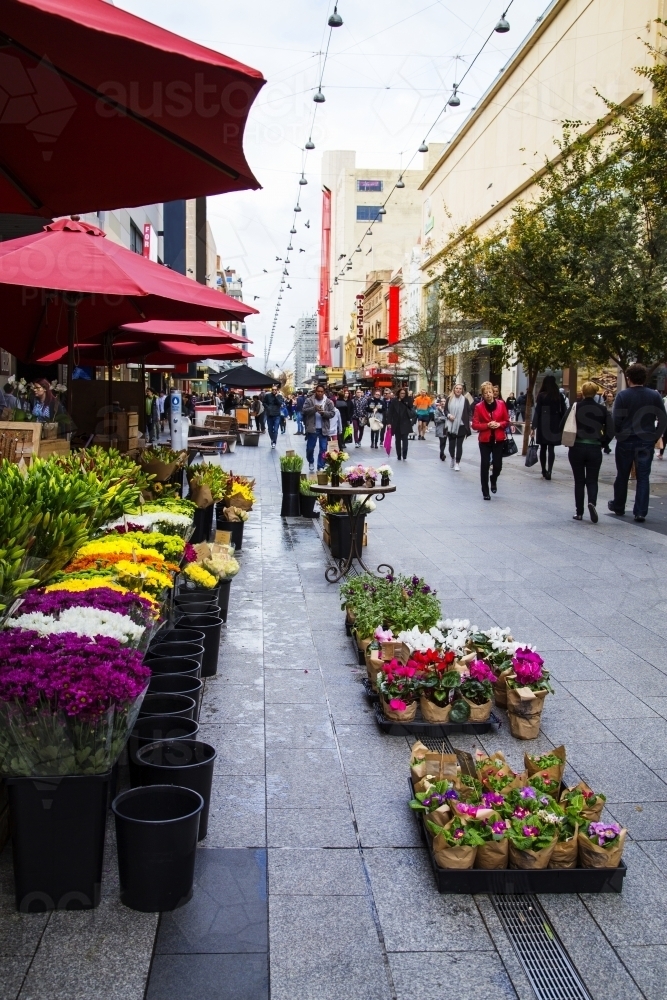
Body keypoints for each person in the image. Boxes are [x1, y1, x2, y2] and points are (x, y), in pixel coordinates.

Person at [608, 363, 667, 522]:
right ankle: (640, 511)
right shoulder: (654, 396)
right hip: (646, 440)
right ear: (644, 378)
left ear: (629, 378)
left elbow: (616, 420)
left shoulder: (622, 396)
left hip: (626, 440)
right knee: (643, 477)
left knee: (622, 475)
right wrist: (655, 436)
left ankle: (619, 506)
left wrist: (619, 434)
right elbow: (663, 419)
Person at [561, 381, 615, 522]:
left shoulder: (575, 407)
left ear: (583, 392)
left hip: (577, 447)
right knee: (592, 480)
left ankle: (579, 512)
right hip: (594, 447)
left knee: (579, 481)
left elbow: (562, 424)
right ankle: (592, 502)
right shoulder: (602, 410)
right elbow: (611, 430)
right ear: (596, 391)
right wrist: (603, 442)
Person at [472, 381, 509, 500]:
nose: (488, 394)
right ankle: (485, 491)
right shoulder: (479, 407)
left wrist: (498, 424)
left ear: (493, 393)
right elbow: (475, 425)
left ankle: (494, 478)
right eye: (485, 392)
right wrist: (487, 425)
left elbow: (506, 421)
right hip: (485, 441)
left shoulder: (502, 404)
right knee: (485, 465)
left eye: (490, 392)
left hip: (498, 439)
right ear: (482, 394)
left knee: (497, 465)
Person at [533, 374, 567, 480]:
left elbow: (537, 411)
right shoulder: (558, 396)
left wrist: (534, 426)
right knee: (551, 448)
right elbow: (564, 410)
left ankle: (543, 470)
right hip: (555, 422)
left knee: (543, 448)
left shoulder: (541, 396)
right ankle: (550, 470)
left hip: (543, 422)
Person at [302, 385, 335, 472]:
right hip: (312, 429)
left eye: (321, 391)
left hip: (323, 429)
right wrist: (314, 408)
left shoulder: (328, 402)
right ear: (315, 392)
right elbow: (304, 411)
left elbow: (332, 413)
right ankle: (311, 461)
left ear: (324, 392)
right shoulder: (309, 400)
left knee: (323, 448)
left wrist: (323, 413)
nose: (320, 393)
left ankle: (320, 465)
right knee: (310, 448)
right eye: (318, 391)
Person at [442, 383, 472, 469]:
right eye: (457, 388)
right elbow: (445, 410)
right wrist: (449, 416)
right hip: (451, 425)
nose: (458, 390)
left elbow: (469, 411)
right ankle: (452, 458)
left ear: (462, 390)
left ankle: (457, 463)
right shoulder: (449, 399)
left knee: (459, 445)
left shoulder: (465, 400)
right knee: (451, 446)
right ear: (454, 390)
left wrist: (470, 421)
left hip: (461, 425)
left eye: (460, 389)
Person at [387, 387, 415, 461]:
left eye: (404, 393)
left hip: (405, 423)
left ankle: (404, 454)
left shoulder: (408, 400)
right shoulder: (394, 401)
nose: (402, 395)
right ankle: (398, 455)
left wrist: (408, 397)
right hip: (396, 423)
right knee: (397, 440)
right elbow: (390, 412)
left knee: (405, 440)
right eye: (401, 393)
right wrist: (389, 422)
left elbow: (411, 407)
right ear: (398, 393)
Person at [263, 384, 284, 449]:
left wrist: (276, 396)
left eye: (275, 390)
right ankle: (272, 439)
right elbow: (264, 402)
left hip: (277, 415)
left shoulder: (280, 396)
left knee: (275, 429)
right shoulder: (267, 396)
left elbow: (280, 403)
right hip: (269, 415)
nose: (274, 391)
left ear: (277, 390)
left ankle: (274, 442)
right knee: (270, 429)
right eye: (273, 390)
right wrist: (267, 407)